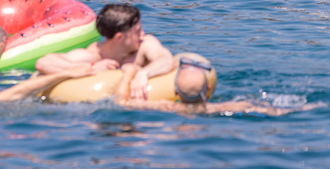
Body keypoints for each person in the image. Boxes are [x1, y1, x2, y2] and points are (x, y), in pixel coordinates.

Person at [35, 4, 174, 100]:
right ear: (120, 37)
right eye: (137, 31)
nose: (142, 34)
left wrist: (144, 73)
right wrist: (92, 68)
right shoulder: (93, 55)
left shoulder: (144, 44)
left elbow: (166, 59)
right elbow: (43, 63)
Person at [117, 57, 320, 115]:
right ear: (208, 90)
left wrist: (128, 71)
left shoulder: (163, 106)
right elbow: (273, 111)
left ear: (174, 91)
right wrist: (307, 108)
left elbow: (123, 101)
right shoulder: (222, 108)